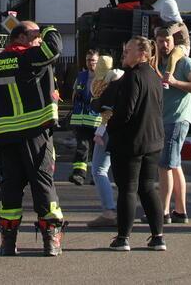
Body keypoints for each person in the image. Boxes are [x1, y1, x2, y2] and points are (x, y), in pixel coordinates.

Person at [0, 20, 65, 256]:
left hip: (4, 135)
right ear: (20, 38)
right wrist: (49, 28)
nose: (39, 38)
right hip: (34, 132)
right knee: (43, 185)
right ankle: (51, 240)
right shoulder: (27, 58)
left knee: (10, 188)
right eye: (35, 34)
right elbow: (54, 47)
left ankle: (8, 242)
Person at [96, 35, 167, 250]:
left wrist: (109, 125)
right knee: (148, 188)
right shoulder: (155, 75)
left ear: (142, 53)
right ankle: (158, 237)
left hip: (130, 142)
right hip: (154, 139)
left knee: (127, 189)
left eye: (128, 50)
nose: (124, 54)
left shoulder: (132, 77)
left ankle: (123, 238)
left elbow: (126, 112)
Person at [155, 26, 191, 225]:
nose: (164, 44)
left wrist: (175, 82)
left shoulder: (185, 62)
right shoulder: (158, 62)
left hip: (178, 119)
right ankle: (180, 211)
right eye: (160, 41)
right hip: (163, 119)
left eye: (167, 40)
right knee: (174, 165)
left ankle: (163, 212)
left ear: (174, 41)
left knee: (165, 164)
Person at [83, 54, 121, 228]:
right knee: (126, 173)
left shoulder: (102, 82)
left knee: (98, 170)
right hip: (124, 128)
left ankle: (109, 211)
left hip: (107, 128)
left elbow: (105, 111)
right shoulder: (122, 77)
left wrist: (99, 131)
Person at [68, 53, 105, 186]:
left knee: (96, 151)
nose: (91, 63)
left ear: (98, 61)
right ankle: (79, 174)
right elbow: (74, 95)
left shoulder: (103, 78)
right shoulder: (81, 76)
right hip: (81, 120)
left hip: (96, 121)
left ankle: (96, 177)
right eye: (88, 60)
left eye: (93, 60)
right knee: (82, 147)